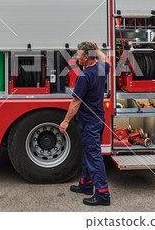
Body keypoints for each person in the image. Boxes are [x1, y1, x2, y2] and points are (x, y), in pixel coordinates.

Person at [59, 41, 111, 206]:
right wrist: (98, 50)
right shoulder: (101, 69)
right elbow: (107, 61)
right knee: (88, 153)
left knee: (94, 156)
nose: (76, 56)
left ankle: (103, 195)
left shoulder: (84, 76)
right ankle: (86, 185)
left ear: (86, 57)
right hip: (98, 120)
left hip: (89, 122)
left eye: (79, 54)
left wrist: (65, 121)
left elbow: (75, 102)